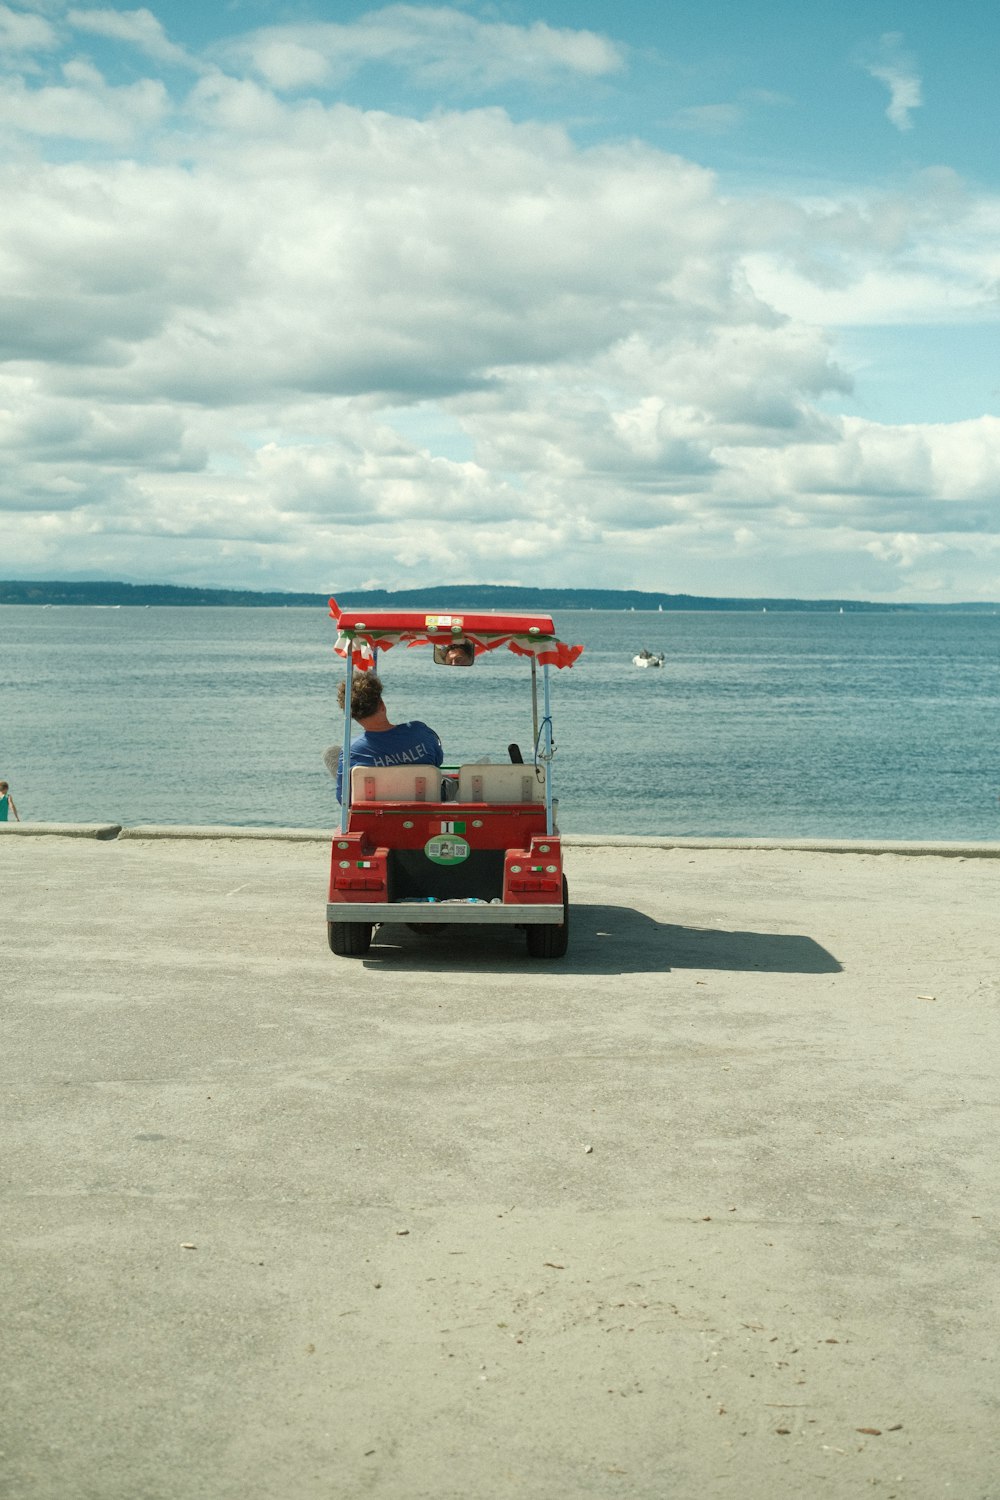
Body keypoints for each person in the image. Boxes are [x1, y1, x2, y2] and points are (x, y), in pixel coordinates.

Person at [324, 672, 443, 803]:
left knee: (331, 753)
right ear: (382, 705)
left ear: (352, 716)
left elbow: (344, 799)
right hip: (423, 811)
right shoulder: (420, 732)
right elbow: (437, 761)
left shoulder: (352, 751)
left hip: (375, 816)